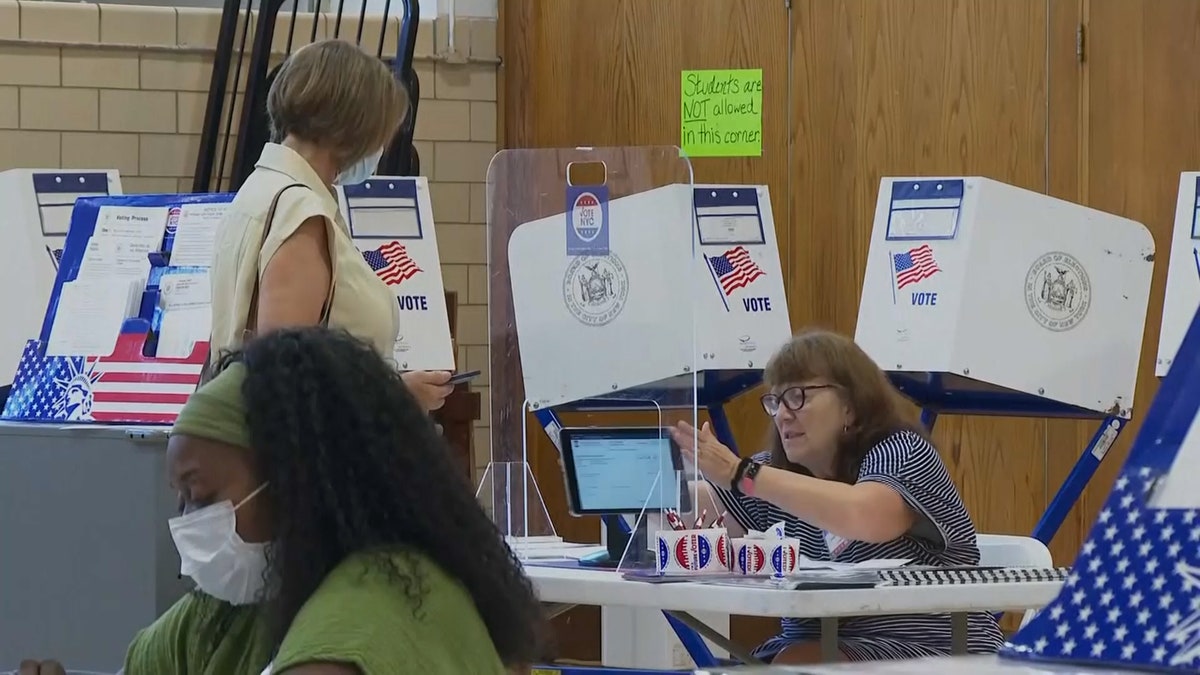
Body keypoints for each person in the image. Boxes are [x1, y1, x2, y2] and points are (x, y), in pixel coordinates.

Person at [20, 327, 545, 674]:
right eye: (181, 500)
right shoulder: (225, 615)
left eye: (202, 496)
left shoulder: (372, 612)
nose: (187, 525)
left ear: (298, 479)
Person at [671, 328, 1004, 665]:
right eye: (775, 400)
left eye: (798, 396)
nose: (783, 414)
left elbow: (864, 515)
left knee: (796, 663)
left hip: (934, 650)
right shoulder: (770, 475)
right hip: (812, 650)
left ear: (851, 405)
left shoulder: (903, 451)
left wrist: (742, 475)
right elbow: (691, 510)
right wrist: (642, 485)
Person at [208, 38, 452, 412]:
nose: (383, 148)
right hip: (314, 460)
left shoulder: (258, 192)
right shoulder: (299, 212)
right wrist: (395, 397)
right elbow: (288, 382)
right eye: (382, 132)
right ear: (351, 128)